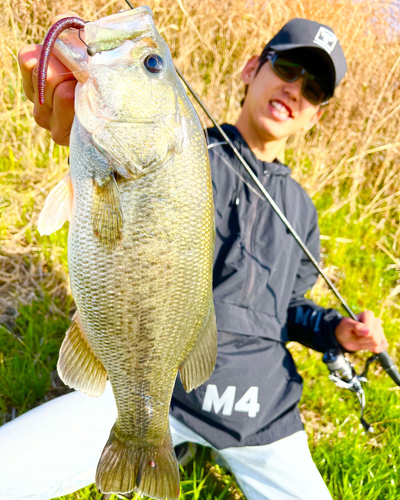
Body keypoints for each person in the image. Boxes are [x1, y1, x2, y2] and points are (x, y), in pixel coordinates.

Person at [1, 15, 388, 500]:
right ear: (251, 69)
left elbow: (291, 308)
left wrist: (334, 330)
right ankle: (160, 437)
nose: (295, 90)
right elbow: (114, 154)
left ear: (317, 115)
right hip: (161, 395)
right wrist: (76, 115)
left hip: (264, 416)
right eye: (287, 68)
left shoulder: (303, 211)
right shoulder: (185, 148)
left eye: (312, 90)